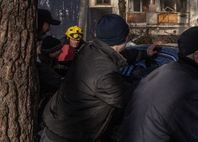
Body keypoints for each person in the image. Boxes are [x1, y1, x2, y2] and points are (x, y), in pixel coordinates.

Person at [41, 14, 136, 142]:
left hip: (55, 126)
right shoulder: (105, 75)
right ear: (125, 38)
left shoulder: (88, 50)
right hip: (69, 137)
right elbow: (129, 98)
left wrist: (143, 53)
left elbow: (112, 55)